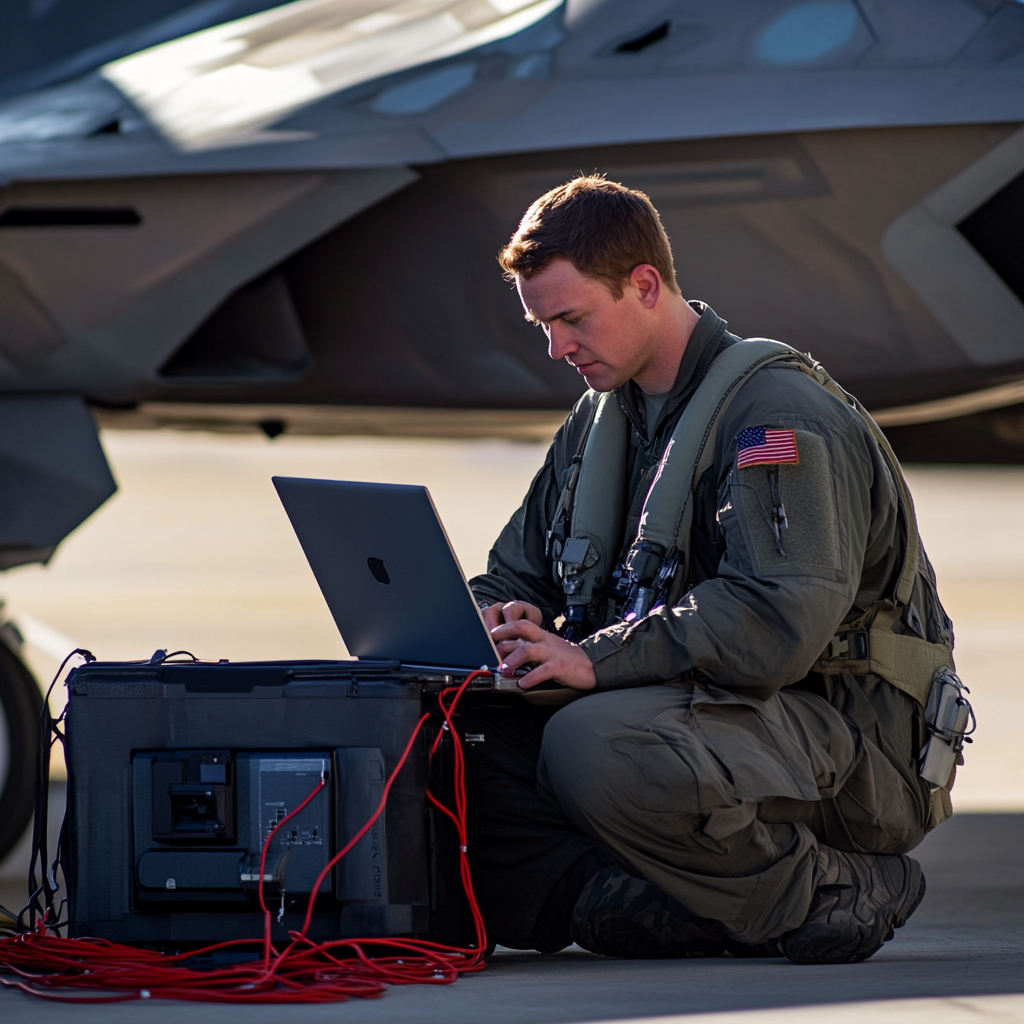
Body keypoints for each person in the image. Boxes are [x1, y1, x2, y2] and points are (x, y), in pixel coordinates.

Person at [463, 175, 960, 965]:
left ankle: (828, 888)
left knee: (593, 747)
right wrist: (495, 624)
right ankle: (613, 904)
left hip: (849, 739)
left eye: (571, 318)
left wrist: (589, 659)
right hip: (709, 720)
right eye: (542, 325)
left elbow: (776, 624)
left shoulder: (778, 419)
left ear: (646, 286)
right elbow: (515, 574)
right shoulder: (602, 420)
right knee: (463, 735)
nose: (556, 346)